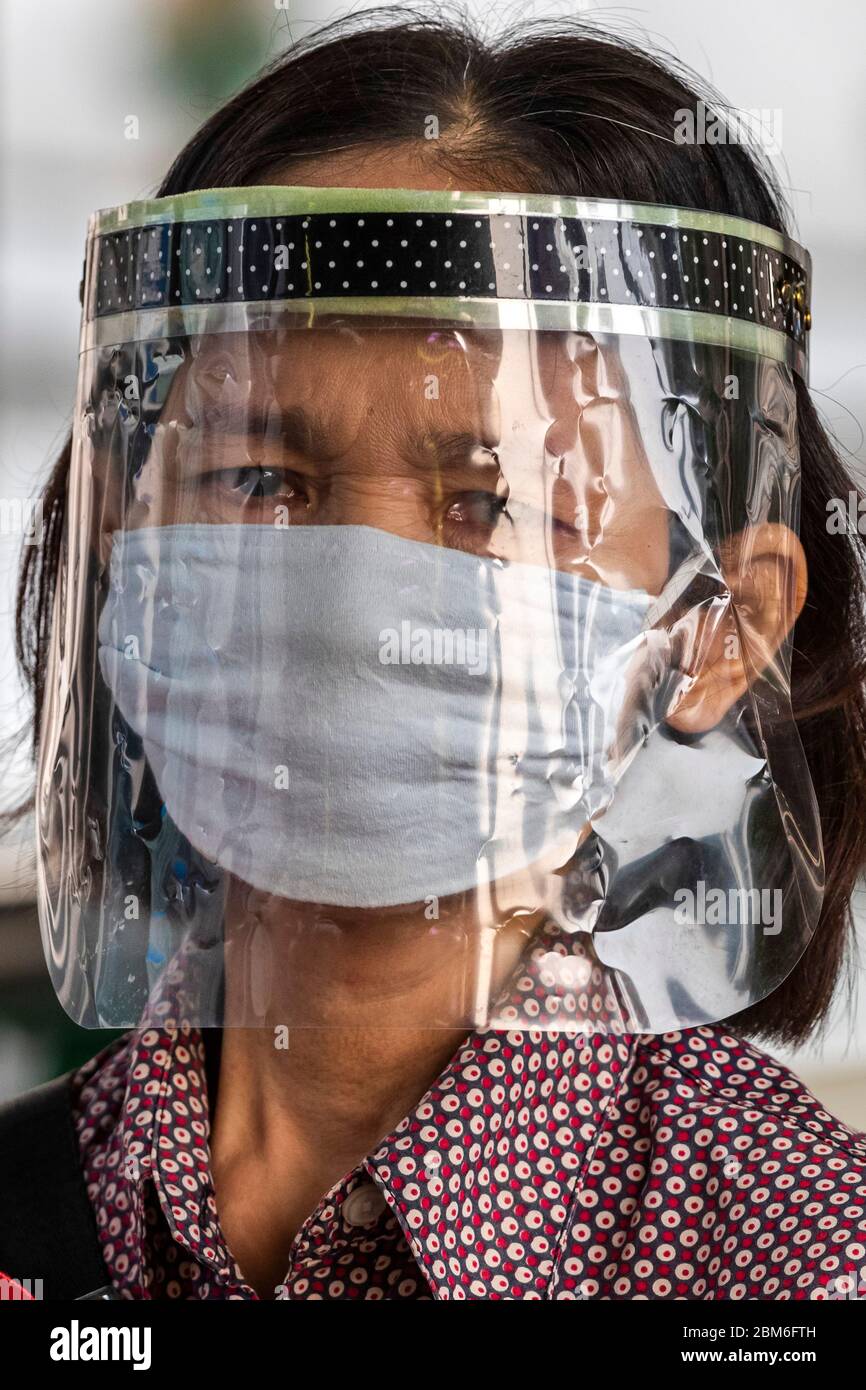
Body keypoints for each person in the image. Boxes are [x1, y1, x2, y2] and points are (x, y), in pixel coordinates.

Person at [2, 10, 866, 1302]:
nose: (353, 591)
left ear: (717, 628)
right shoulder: (30, 1212)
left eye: (497, 501)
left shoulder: (791, 1269)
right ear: (116, 544)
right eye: (254, 475)